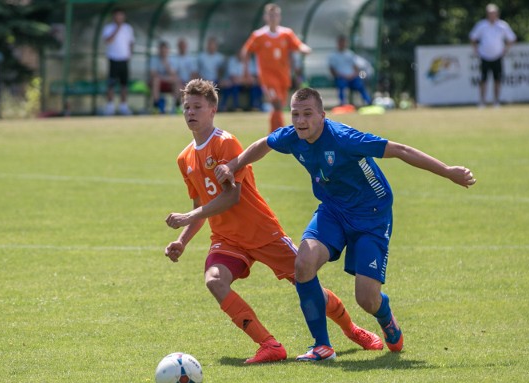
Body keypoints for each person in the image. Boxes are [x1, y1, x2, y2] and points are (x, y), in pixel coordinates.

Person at [215, 87, 477, 361]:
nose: (300, 120)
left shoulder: (345, 138)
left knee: (367, 298)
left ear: (322, 115)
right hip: (333, 212)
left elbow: (399, 150)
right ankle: (321, 346)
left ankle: (386, 318)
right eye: (295, 114)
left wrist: (448, 172)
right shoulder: (292, 136)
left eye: (307, 114)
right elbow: (264, 144)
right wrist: (233, 165)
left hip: (371, 216)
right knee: (303, 262)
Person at [164, 79, 383, 364]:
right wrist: (182, 241)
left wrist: (189, 217)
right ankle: (269, 345)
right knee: (214, 280)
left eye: (197, 107)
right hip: (227, 238)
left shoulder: (225, 143)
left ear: (213, 110)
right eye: (186, 107)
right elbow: (200, 206)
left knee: (306, 283)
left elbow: (231, 198)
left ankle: (352, 330)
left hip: (262, 232)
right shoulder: (185, 158)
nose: (190, 113)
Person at [241, 3, 312, 132]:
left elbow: (298, 45)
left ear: (279, 17)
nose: (273, 17)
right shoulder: (259, 35)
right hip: (267, 77)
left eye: (276, 15)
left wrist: (305, 49)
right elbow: (245, 51)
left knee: (278, 106)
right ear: (266, 17)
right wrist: (246, 72)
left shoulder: (286, 33)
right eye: (271, 15)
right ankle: (281, 132)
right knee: (276, 103)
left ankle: (274, 133)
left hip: (283, 76)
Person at [469, 3, 516, 107]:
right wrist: (476, 50)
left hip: (497, 57)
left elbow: (511, 38)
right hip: (484, 57)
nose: (492, 15)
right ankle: (482, 102)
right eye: (490, 13)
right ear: (487, 14)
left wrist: (506, 50)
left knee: (497, 80)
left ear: (497, 14)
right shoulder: (481, 25)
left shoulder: (502, 25)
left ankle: (496, 102)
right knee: (483, 80)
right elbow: (473, 37)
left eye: (494, 13)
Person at [102, 8, 135, 115]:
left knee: (124, 85)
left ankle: (123, 106)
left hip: (124, 60)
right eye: (117, 16)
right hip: (113, 59)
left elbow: (131, 42)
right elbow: (108, 40)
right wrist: (117, 29)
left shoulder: (128, 28)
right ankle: (110, 106)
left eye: (121, 16)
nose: (119, 18)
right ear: (114, 17)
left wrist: (130, 54)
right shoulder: (108, 28)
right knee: (111, 84)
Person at [328, 35, 372, 106]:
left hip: (352, 77)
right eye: (341, 42)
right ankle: (342, 104)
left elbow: (356, 67)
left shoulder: (350, 54)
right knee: (341, 84)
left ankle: (368, 102)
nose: (342, 44)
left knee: (360, 85)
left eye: (344, 42)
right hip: (341, 77)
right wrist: (343, 76)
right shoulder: (333, 55)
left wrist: (353, 75)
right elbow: (332, 70)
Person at [149, 40, 181, 114]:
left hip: (168, 81)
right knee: (156, 80)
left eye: (165, 50)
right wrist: (164, 78)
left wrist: (166, 63)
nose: (163, 52)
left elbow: (173, 74)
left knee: (177, 81)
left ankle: (177, 106)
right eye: (161, 50)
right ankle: (156, 106)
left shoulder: (172, 59)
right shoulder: (154, 59)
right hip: (158, 82)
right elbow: (153, 74)